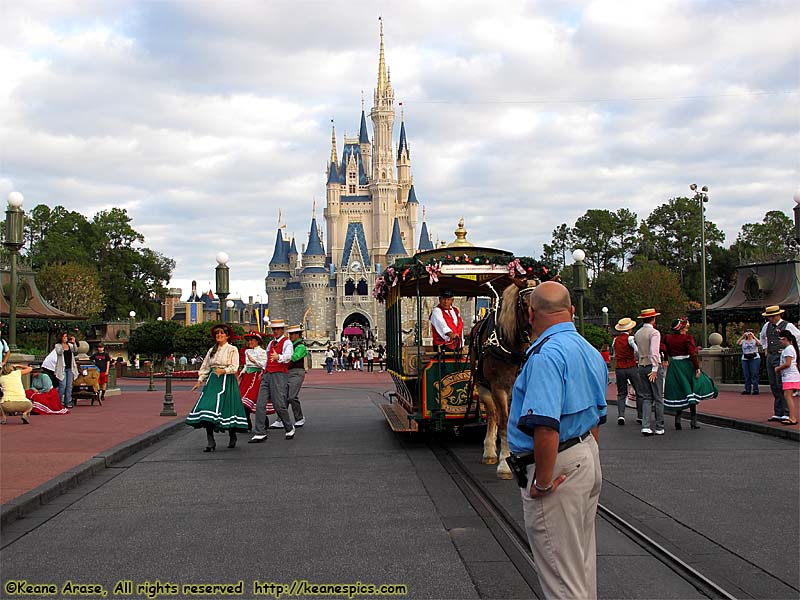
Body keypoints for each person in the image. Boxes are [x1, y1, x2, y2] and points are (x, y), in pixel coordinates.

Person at [507, 281, 606, 600]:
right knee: (580, 567)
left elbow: (546, 426)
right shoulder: (589, 351)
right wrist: (585, 460)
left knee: (562, 581)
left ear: (531, 313)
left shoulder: (546, 356)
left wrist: (544, 482)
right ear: (572, 311)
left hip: (556, 468)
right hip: (585, 455)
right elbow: (596, 418)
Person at [185, 324, 248, 451]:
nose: (219, 335)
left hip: (226, 381)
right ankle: (210, 440)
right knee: (207, 406)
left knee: (226, 408)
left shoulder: (232, 349)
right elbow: (205, 366)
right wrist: (200, 380)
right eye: (217, 333)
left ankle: (232, 434)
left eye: (222, 333)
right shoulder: (212, 350)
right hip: (213, 381)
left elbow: (235, 366)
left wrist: (224, 371)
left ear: (227, 336)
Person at [663, 318, 718, 430]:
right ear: (682, 328)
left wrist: (665, 357)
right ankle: (693, 421)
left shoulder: (668, 338)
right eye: (686, 327)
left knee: (679, 390)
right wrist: (697, 367)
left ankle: (678, 420)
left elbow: (664, 348)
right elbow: (692, 353)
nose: (687, 329)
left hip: (674, 365)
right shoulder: (687, 338)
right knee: (691, 390)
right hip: (686, 365)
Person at [249, 319, 295, 442]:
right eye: (273, 329)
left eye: (277, 329)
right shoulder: (271, 344)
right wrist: (263, 371)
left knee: (279, 404)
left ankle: (289, 427)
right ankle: (260, 432)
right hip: (268, 375)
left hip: (279, 375)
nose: (275, 331)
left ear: (282, 330)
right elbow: (267, 359)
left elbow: (288, 357)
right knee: (260, 404)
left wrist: (278, 357)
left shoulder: (287, 343)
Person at [759, 305, 800, 422]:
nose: (769, 319)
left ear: (778, 315)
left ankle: (787, 412)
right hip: (771, 355)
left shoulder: (788, 326)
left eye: (771, 317)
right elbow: (762, 337)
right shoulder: (767, 326)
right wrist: (765, 348)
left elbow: (798, 337)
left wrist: (792, 349)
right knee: (773, 384)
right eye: (768, 317)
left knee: (781, 384)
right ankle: (778, 412)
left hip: (781, 355)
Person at [634, 308, 665, 436]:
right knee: (658, 397)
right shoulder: (654, 333)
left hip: (641, 365)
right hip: (652, 366)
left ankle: (645, 425)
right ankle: (659, 426)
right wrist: (654, 368)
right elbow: (654, 351)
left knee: (646, 397)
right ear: (653, 319)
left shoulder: (637, 333)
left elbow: (636, 351)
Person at [272, 325, 306, 430]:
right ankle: (281, 420)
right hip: (286, 372)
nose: (291, 336)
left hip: (297, 372)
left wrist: (282, 357)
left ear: (298, 335)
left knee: (291, 396)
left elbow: (295, 357)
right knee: (283, 397)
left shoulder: (300, 346)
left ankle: (299, 417)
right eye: (290, 334)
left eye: (293, 334)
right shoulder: (288, 344)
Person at [612, 317, 640, 426]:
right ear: (630, 329)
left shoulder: (615, 340)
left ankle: (621, 415)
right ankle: (640, 415)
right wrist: (636, 357)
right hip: (631, 366)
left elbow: (614, 353)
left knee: (621, 393)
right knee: (639, 391)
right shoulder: (630, 339)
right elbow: (637, 350)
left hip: (619, 367)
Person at [238, 331, 267, 431]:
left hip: (256, 377)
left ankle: (264, 422)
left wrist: (254, 361)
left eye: (252, 340)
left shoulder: (262, 352)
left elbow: (264, 365)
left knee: (254, 400)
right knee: (242, 399)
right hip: (247, 377)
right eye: (249, 340)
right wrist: (242, 372)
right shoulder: (247, 352)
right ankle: (247, 424)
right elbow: (247, 365)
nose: (250, 342)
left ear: (257, 341)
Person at [774, 330, 799, 425]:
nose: (780, 341)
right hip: (789, 376)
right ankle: (791, 417)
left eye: (781, 339)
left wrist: (778, 368)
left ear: (785, 339)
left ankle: (792, 417)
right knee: (787, 396)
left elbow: (788, 364)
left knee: (788, 397)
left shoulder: (788, 349)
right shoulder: (789, 349)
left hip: (790, 376)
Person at [54, 332, 79, 408]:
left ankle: (67, 402)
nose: (66, 338)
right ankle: (58, 401)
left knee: (69, 386)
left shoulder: (70, 345)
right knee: (62, 386)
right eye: (64, 337)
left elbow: (75, 350)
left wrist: (74, 343)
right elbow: (59, 352)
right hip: (62, 368)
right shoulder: (58, 345)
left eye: (66, 337)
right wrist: (62, 344)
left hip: (70, 368)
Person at [737, 329, 762, 395]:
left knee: (754, 374)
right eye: (748, 333)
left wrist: (754, 336)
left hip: (754, 358)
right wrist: (743, 336)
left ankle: (755, 389)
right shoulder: (743, 341)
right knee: (746, 374)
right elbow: (737, 343)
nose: (749, 334)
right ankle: (747, 389)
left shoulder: (754, 341)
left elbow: (760, 343)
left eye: (750, 333)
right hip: (745, 358)